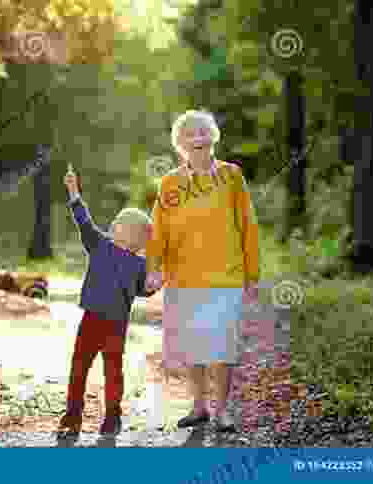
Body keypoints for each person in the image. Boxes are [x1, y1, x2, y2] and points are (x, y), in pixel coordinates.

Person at [146, 109, 260, 430]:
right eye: (189, 134)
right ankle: (199, 407)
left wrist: (252, 274)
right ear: (179, 144)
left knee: (223, 345)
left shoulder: (232, 176)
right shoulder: (170, 183)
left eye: (202, 132)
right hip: (183, 278)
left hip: (226, 276)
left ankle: (222, 410)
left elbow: (247, 225)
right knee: (192, 345)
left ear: (213, 138)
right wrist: (154, 269)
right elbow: (159, 229)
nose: (197, 137)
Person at [57, 165, 160, 436]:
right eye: (115, 223)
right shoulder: (99, 244)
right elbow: (83, 222)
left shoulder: (138, 264)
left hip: (116, 325)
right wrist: (73, 192)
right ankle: (73, 415)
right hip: (91, 318)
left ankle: (112, 417)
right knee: (79, 367)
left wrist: (153, 285)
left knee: (113, 372)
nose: (112, 225)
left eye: (119, 224)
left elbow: (142, 289)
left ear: (134, 238)